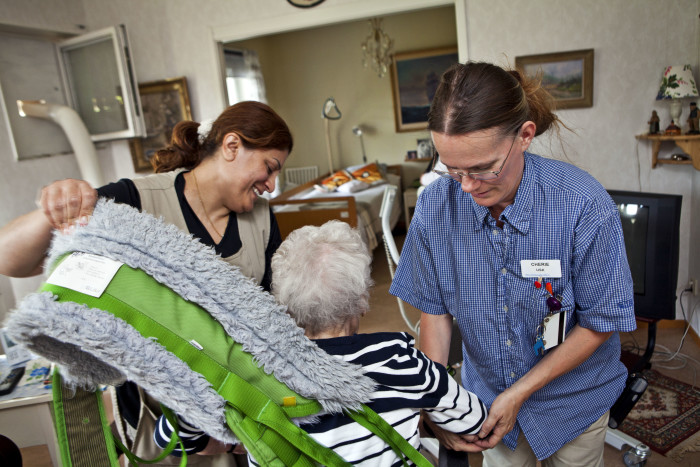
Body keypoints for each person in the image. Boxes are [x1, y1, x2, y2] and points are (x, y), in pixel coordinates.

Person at [0, 100, 294, 465]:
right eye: (270, 167)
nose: (271, 185)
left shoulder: (263, 221)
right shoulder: (134, 202)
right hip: (161, 426)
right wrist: (59, 205)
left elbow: (273, 320)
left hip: (243, 415)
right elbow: (9, 258)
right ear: (232, 146)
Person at [389, 61, 636, 466]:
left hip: (574, 402)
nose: (467, 186)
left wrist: (519, 393)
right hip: (488, 402)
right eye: (452, 169)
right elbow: (434, 316)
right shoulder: (435, 208)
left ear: (524, 136)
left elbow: (600, 323)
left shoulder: (583, 205)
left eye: (483, 168)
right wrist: (438, 406)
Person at [154, 221, 488, 465]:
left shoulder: (246, 370)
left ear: (282, 304)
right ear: (362, 301)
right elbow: (473, 422)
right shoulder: (398, 359)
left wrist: (234, 442)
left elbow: (171, 438)